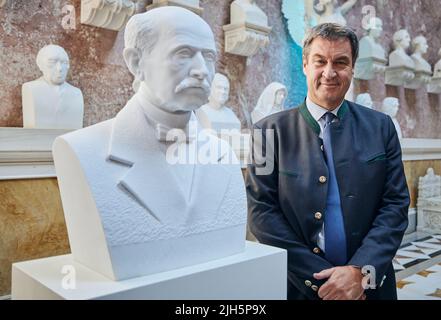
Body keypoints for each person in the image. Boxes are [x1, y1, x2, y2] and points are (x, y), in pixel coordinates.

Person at [52, 7, 246, 280]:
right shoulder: (82, 150)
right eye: (183, 53)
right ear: (136, 62)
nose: (202, 71)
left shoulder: (224, 153)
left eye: (209, 57)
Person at [246, 23, 409, 300]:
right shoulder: (266, 133)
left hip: (370, 289)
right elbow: (262, 213)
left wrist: (361, 272)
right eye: (320, 61)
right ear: (306, 65)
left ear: (353, 68)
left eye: (341, 62)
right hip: (300, 288)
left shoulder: (381, 127)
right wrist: (321, 280)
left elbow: (395, 205)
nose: (330, 72)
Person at [22, 44, 84, 129]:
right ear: (40, 65)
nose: (59, 68)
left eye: (63, 62)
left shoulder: (76, 93)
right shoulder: (31, 88)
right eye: (52, 62)